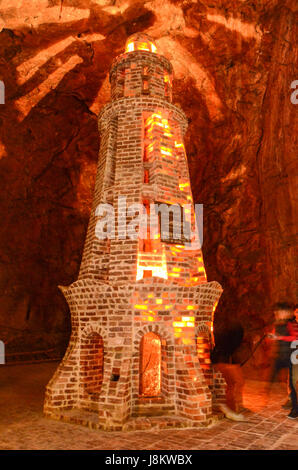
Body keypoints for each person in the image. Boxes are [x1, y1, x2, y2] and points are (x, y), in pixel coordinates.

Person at [211, 321, 246, 421]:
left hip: (224, 358)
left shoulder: (227, 325)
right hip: (225, 359)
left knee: (235, 383)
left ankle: (231, 407)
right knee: (235, 383)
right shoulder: (232, 329)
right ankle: (230, 409)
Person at [268, 303, 298, 419]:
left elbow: (295, 337)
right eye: (296, 312)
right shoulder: (290, 323)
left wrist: (279, 337)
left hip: (293, 355)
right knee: (293, 382)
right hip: (293, 356)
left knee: (293, 382)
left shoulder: (290, 324)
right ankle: (295, 408)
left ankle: (294, 407)